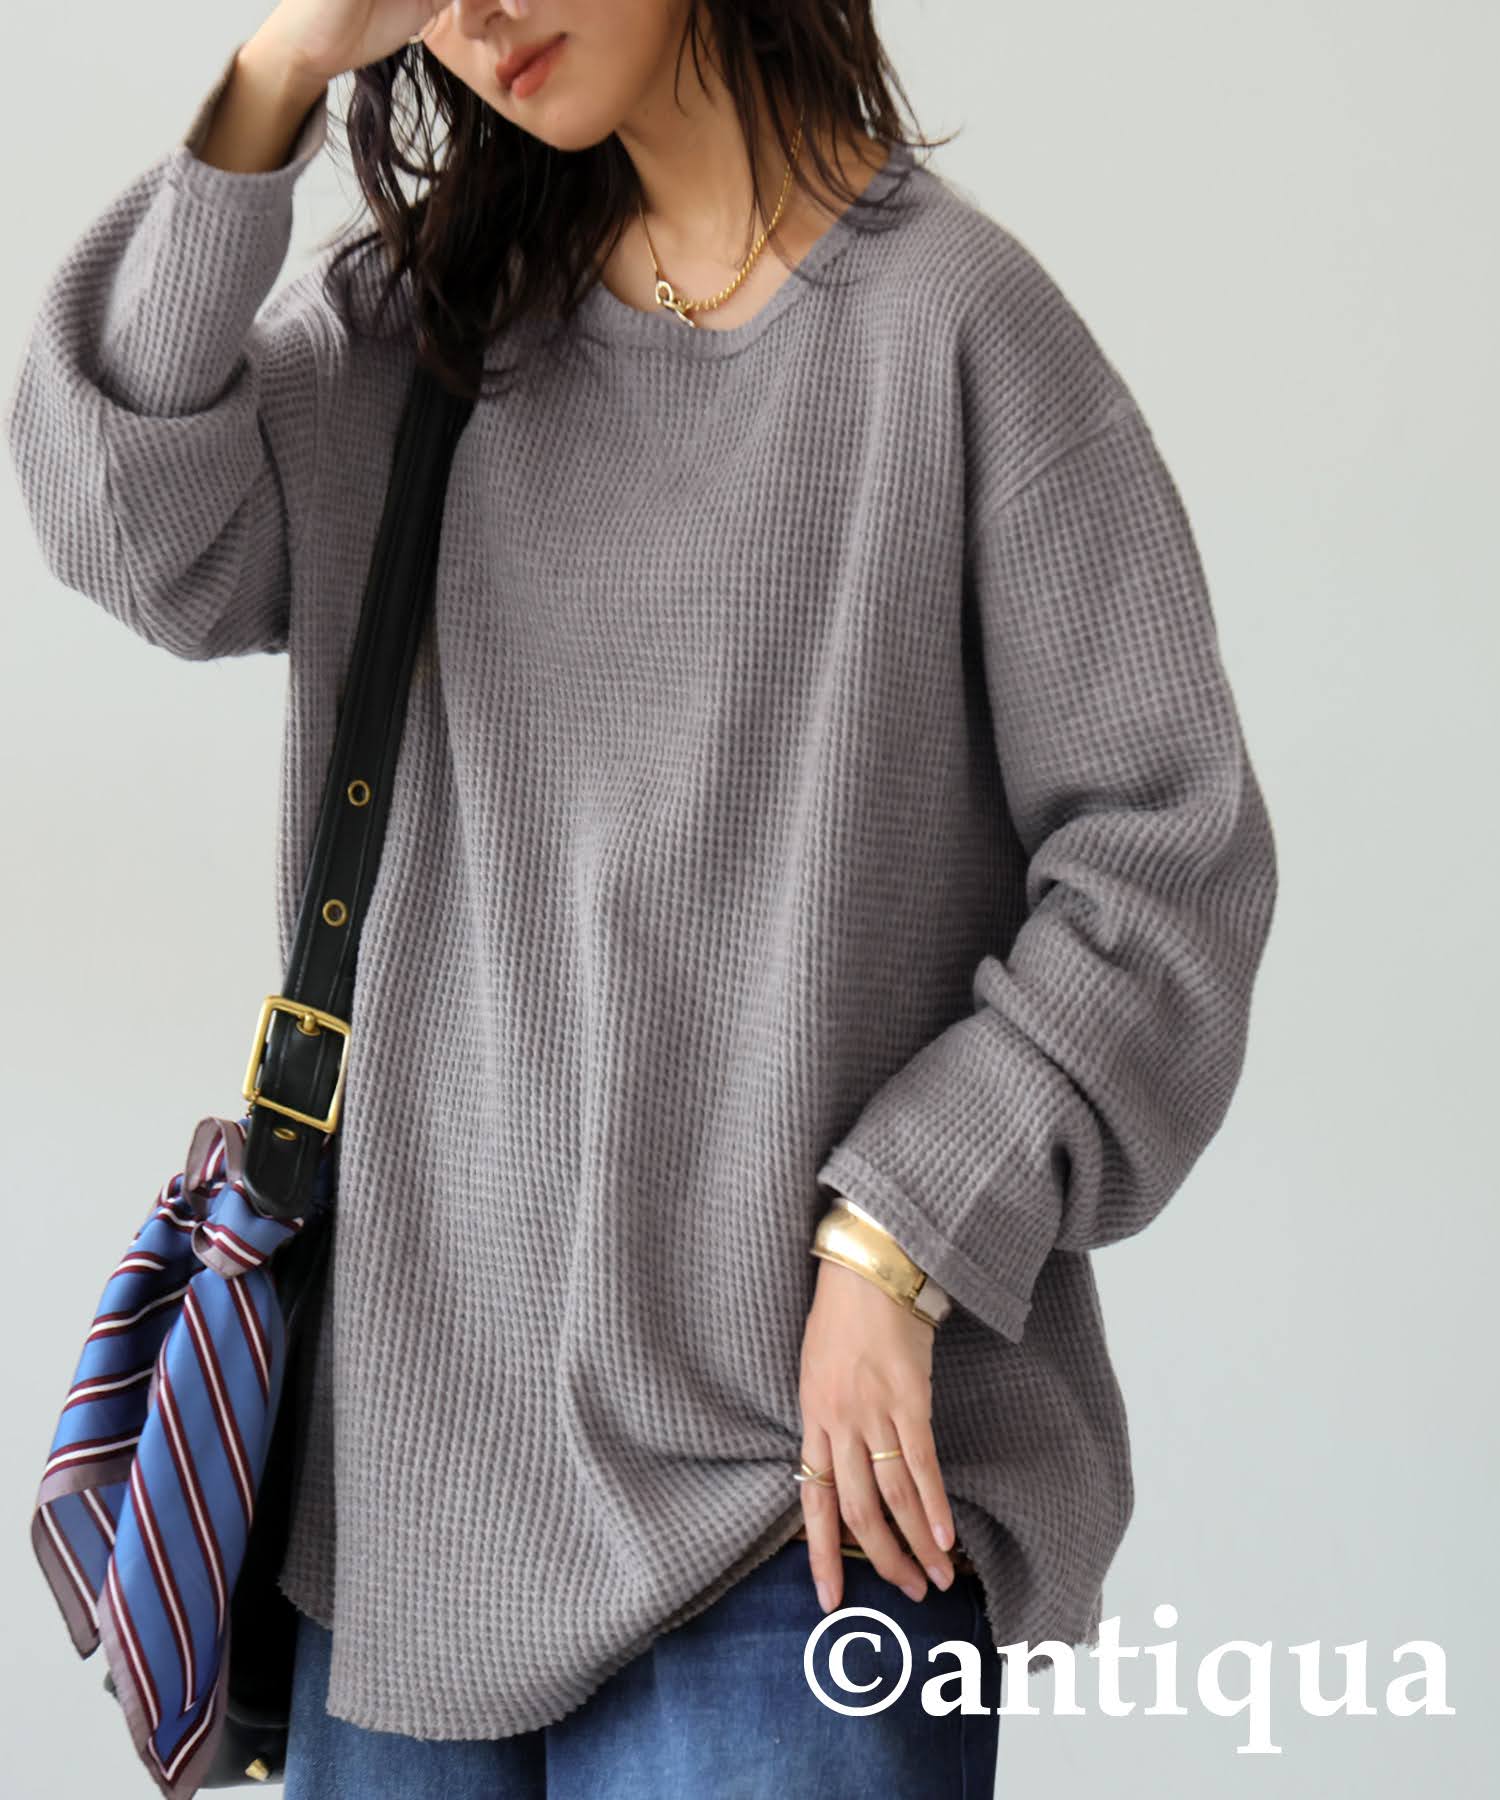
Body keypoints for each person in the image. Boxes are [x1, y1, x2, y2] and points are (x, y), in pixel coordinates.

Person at [4, 1, 1278, 1794]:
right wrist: (280, 68)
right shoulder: (425, 337)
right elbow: (120, 508)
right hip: (413, 1516)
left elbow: (1168, 867)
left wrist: (900, 1236)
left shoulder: (959, 335)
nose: (480, 17)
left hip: (794, 1510)